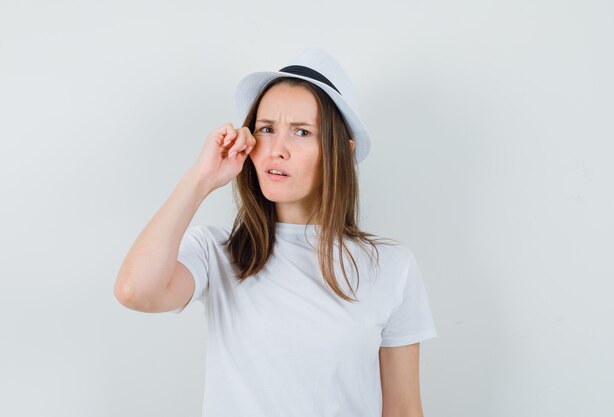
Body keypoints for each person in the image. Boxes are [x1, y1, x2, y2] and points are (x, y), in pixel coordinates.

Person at [114, 47, 437, 417]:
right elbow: (134, 291)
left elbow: (404, 409)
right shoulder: (218, 252)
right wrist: (200, 179)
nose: (276, 150)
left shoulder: (392, 267)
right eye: (266, 129)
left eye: (301, 132)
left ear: (342, 152)